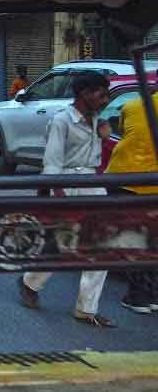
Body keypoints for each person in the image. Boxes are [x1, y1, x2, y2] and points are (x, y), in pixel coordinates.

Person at [18, 72, 115, 327]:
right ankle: (30, 282)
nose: (105, 100)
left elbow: (101, 157)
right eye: (100, 94)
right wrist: (58, 195)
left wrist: (104, 135)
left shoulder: (98, 122)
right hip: (66, 184)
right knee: (61, 243)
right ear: (84, 93)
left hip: (93, 185)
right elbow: (52, 163)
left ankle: (87, 308)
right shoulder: (62, 121)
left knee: (103, 247)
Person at [104, 87, 158, 313]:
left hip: (122, 177)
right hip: (147, 181)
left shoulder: (131, 105)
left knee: (136, 238)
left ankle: (141, 295)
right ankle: (146, 295)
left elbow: (126, 132)